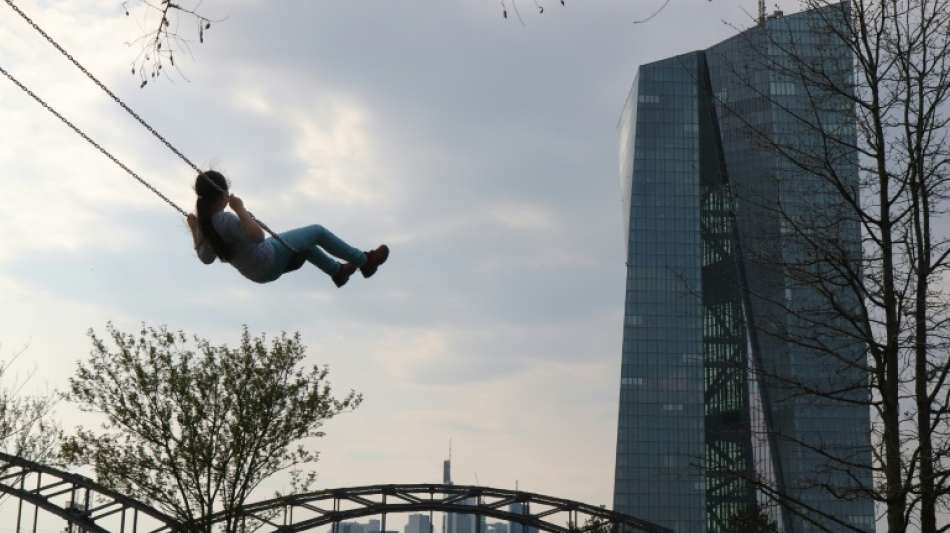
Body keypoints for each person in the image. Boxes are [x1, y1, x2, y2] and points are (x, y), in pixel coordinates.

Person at [185, 170, 388, 287]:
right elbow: (257, 236)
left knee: (304, 244)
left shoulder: (205, 227)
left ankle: (338, 272)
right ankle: (365, 261)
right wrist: (240, 209)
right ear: (222, 195)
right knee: (317, 231)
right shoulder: (225, 219)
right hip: (268, 259)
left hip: (255, 273)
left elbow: (206, 259)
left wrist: (195, 229)